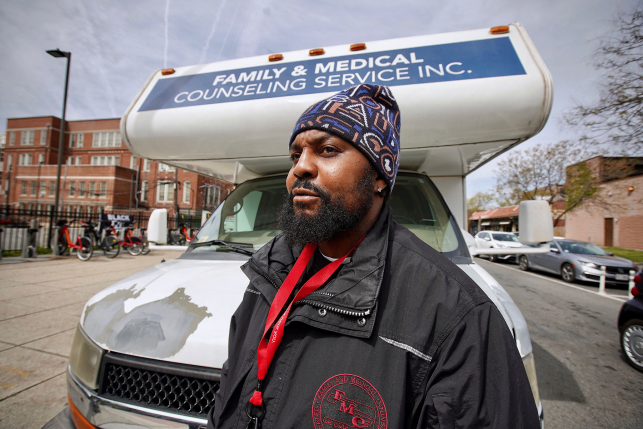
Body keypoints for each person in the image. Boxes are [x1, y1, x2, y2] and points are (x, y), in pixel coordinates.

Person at [208, 84, 539, 428]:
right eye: (296, 155)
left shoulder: (456, 313)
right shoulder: (269, 271)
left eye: (328, 150)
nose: (300, 169)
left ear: (380, 176)